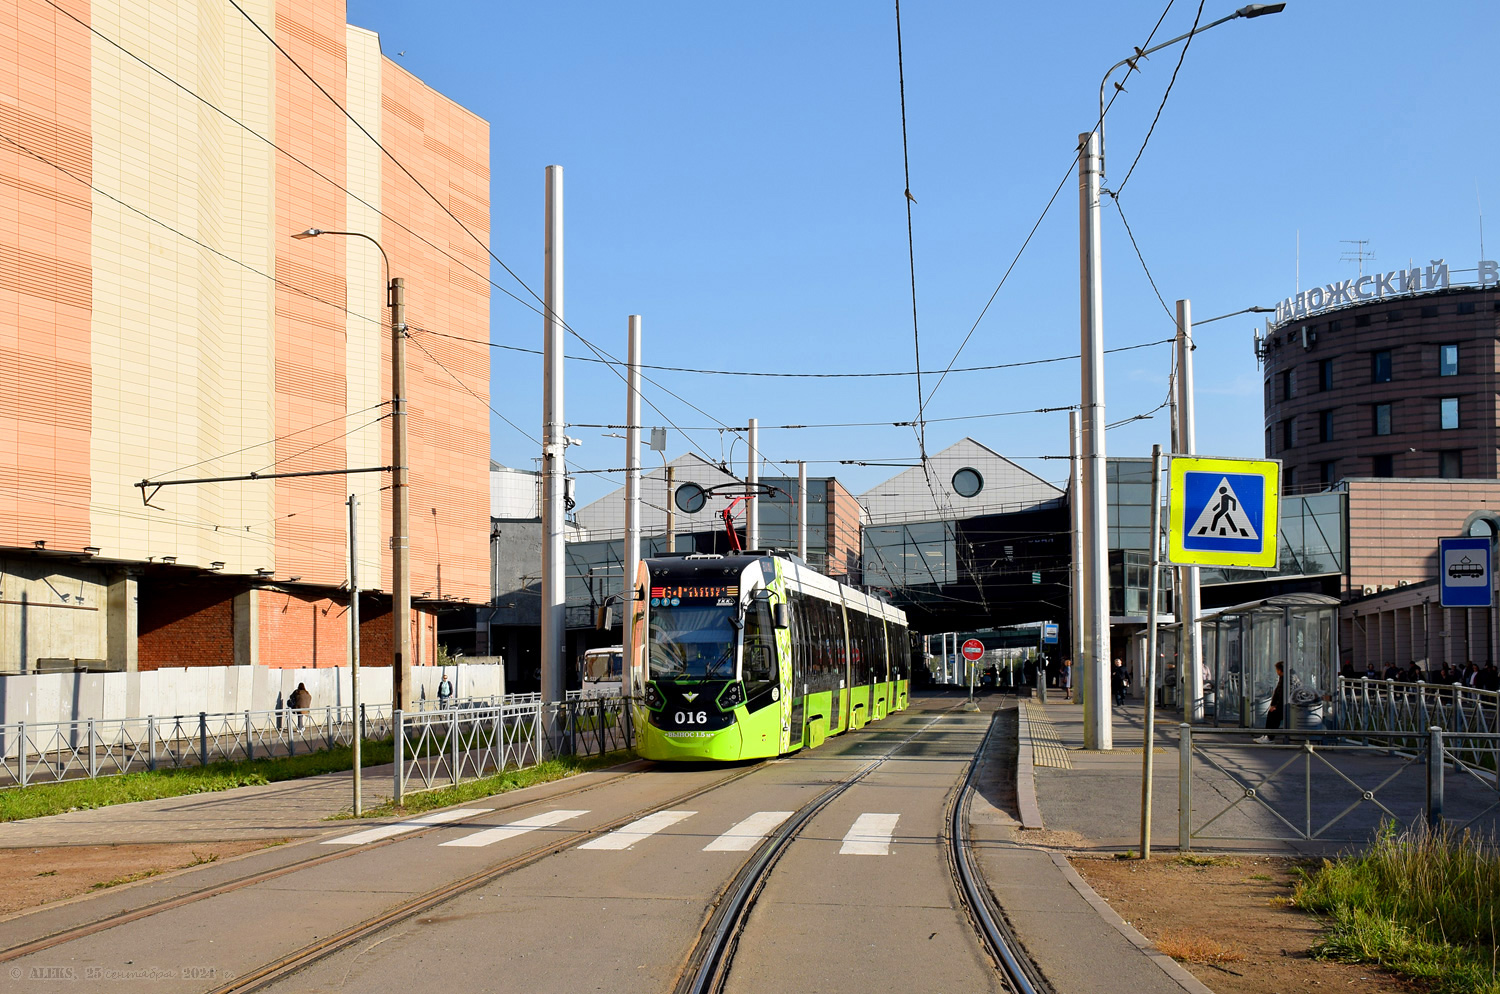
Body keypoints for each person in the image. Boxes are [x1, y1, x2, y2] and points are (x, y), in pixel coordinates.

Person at [1255, 662, 1285, 743]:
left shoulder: (1285, 680)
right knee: (1271, 713)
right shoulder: (1282, 678)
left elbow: (1282, 696)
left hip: (1284, 707)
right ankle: (1266, 735)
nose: (1276, 671)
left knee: (1273, 715)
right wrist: (1273, 705)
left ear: (1280, 670)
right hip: (1280, 705)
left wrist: (1276, 706)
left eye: (1277, 670)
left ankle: (1270, 737)